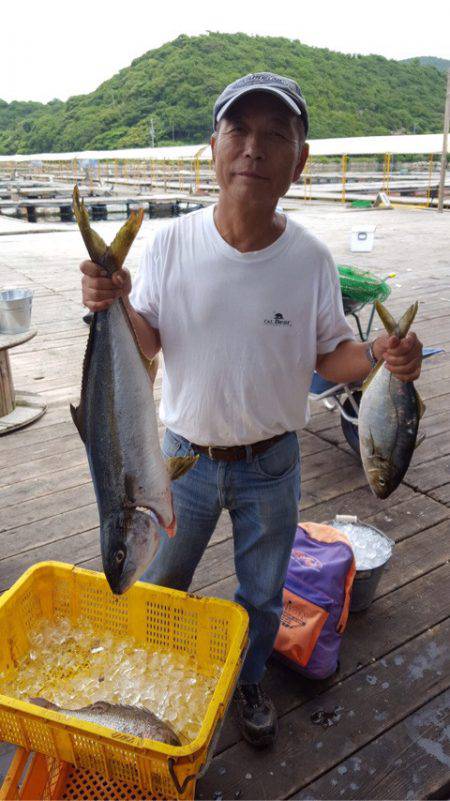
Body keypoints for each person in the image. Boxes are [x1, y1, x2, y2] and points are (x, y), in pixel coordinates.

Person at [80, 72, 423, 748]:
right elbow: (144, 340)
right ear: (213, 146)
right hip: (179, 462)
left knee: (263, 593)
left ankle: (247, 678)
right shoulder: (172, 244)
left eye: (275, 136)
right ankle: (152, 670)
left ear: (299, 161)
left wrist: (381, 354)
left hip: (273, 462)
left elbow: (332, 356)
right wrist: (109, 299)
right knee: (158, 580)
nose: (253, 149)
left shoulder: (311, 260)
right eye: (238, 131)